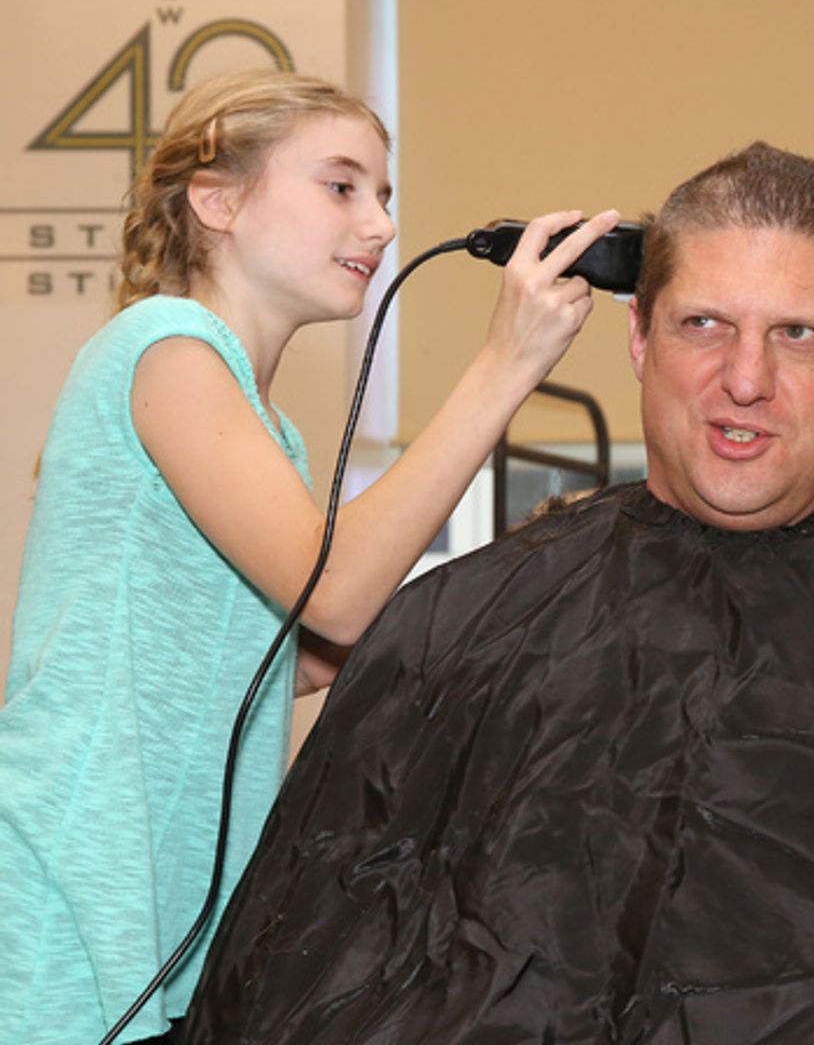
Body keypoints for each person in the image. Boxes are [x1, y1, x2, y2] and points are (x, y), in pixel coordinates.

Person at [180, 142, 814, 1044]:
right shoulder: (459, 627)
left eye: (797, 336)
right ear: (638, 338)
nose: (744, 380)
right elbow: (300, 977)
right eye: (703, 326)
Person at [0, 69, 618, 1045]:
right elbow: (332, 598)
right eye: (341, 187)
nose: (378, 226)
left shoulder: (269, 433)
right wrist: (504, 367)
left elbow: (307, 656)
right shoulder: (167, 349)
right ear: (217, 200)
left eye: (384, 197)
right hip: (69, 893)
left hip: (158, 912)